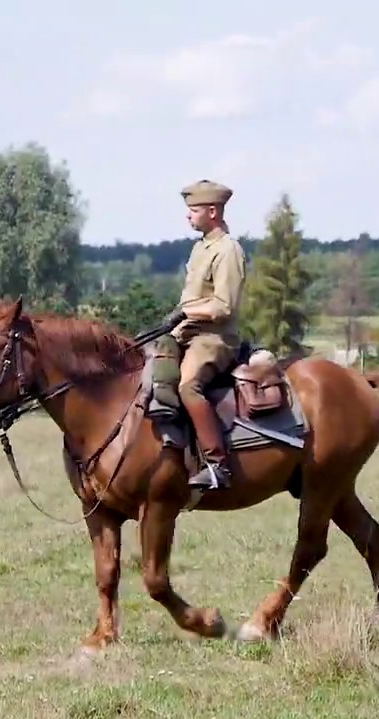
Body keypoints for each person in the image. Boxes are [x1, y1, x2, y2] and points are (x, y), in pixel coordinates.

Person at [157, 179, 248, 490]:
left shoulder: (228, 250)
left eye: (193, 210)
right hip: (187, 333)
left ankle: (217, 464)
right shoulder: (200, 248)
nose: (188, 216)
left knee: (187, 386)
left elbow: (224, 306)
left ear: (212, 211)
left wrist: (185, 313)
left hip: (214, 338)